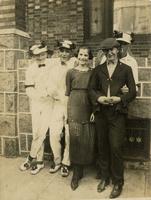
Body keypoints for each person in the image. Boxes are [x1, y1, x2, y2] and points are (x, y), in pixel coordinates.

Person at [88, 38, 136, 198]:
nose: (110, 53)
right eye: (106, 51)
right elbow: (91, 89)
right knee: (102, 146)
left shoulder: (126, 69)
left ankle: (118, 182)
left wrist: (120, 99)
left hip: (117, 113)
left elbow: (132, 92)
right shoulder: (98, 69)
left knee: (115, 147)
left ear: (118, 50)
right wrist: (99, 98)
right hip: (102, 113)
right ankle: (105, 177)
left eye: (112, 50)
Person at [20, 42, 53, 175]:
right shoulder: (30, 69)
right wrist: (39, 96)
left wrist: (49, 93)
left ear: (47, 54)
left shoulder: (53, 65)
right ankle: (38, 160)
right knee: (36, 132)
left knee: (42, 131)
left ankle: (31, 158)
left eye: (42, 54)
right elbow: (29, 89)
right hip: (36, 103)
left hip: (49, 103)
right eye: (37, 55)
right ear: (34, 56)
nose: (40, 58)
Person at [66, 46, 95, 190]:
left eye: (86, 55)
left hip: (88, 107)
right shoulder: (70, 72)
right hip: (74, 108)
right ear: (77, 56)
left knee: (86, 139)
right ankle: (76, 174)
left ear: (89, 57)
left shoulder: (93, 73)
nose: (83, 57)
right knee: (75, 138)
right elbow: (68, 93)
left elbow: (95, 93)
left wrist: (94, 110)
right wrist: (68, 113)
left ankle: (83, 167)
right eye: (81, 54)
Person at [47, 40, 76, 177]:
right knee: (54, 133)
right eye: (62, 51)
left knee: (69, 134)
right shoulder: (53, 67)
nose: (64, 53)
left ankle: (66, 163)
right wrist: (58, 96)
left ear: (71, 53)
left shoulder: (75, 64)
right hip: (58, 103)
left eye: (67, 51)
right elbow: (51, 86)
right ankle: (57, 160)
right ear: (59, 52)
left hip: (71, 104)